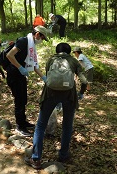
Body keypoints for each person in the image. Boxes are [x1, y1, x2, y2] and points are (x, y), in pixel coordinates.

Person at [24, 42, 88, 170]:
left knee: (41, 126)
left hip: (50, 95)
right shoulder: (73, 61)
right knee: (67, 125)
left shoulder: (50, 60)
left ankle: (36, 159)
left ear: (56, 51)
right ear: (69, 52)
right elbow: (84, 80)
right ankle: (63, 155)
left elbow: (50, 78)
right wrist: (81, 93)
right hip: (69, 96)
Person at [6, 26, 50, 137]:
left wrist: (44, 78)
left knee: (24, 99)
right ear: (37, 34)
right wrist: (20, 67)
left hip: (21, 75)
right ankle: (20, 126)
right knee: (19, 100)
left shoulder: (32, 46)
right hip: (14, 74)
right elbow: (9, 55)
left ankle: (23, 121)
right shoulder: (23, 41)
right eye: (43, 38)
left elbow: (35, 66)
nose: (42, 41)